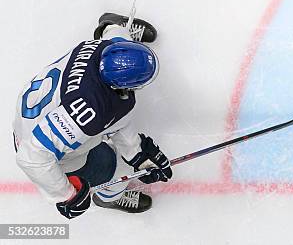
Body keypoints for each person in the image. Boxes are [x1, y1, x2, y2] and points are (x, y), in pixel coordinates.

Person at [13, 12, 173, 219]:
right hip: (42, 145)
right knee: (113, 165)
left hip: (33, 116)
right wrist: (66, 195)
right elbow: (31, 157)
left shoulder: (102, 49)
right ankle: (109, 197)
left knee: (107, 137)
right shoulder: (90, 111)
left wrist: (138, 153)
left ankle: (107, 21)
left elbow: (116, 36)